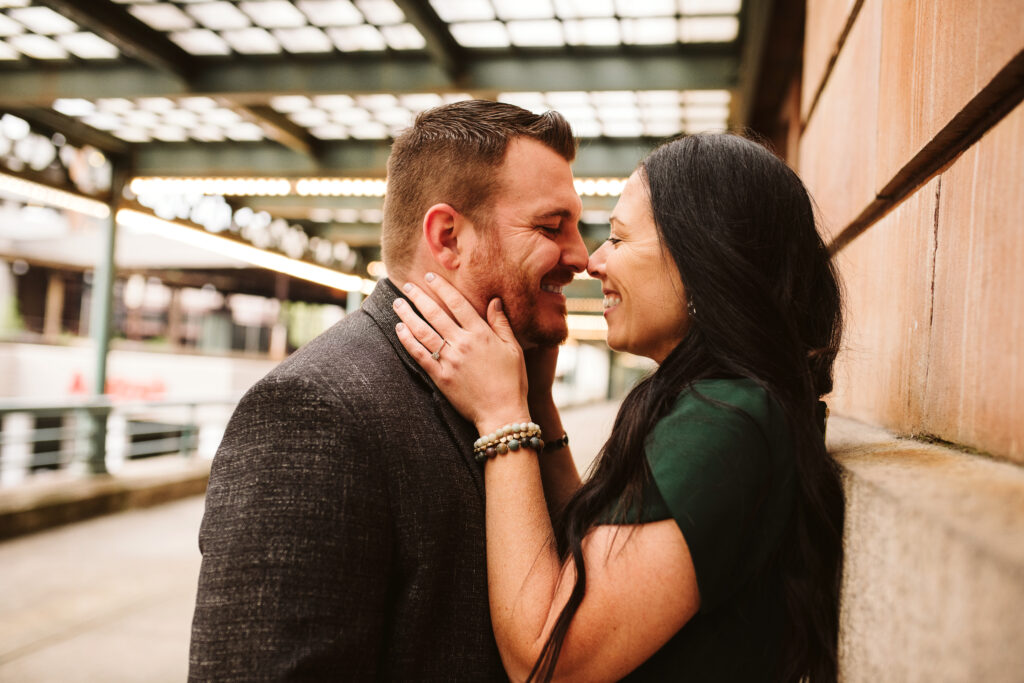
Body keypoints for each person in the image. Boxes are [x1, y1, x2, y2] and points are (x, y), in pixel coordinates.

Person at [393, 132, 845, 682]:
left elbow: (546, 660)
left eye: (618, 238)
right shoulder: (732, 402)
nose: (592, 261)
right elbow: (593, 565)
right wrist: (538, 404)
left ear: (703, 261)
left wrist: (502, 417)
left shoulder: (726, 420)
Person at [188, 100, 588, 680]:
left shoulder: (510, 389)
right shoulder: (313, 411)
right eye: (552, 227)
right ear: (448, 236)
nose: (581, 256)